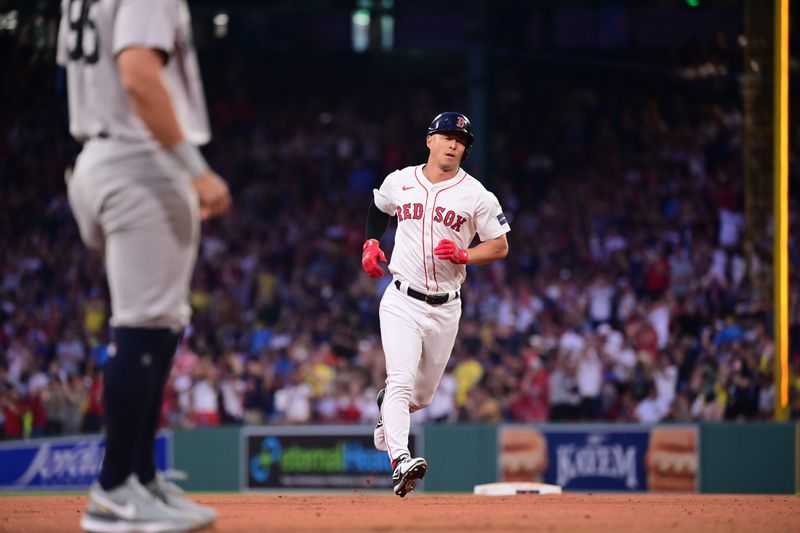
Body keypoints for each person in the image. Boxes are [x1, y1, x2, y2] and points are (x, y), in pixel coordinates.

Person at [56, 1, 231, 531]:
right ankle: (113, 489)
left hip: (99, 159)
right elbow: (137, 73)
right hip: (138, 162)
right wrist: (195, 170)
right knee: (142, 328)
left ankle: (140, 478)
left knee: (157, 326)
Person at [361, 112, 510, 497]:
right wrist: (371, 242)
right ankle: (401, 460)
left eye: (460, 140)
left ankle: (387, 417)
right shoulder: (401, 180)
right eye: (446, 136)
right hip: (401, 300)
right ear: (429, 140)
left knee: (422, 397)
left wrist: (466, 255)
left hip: (446, 306)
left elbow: (500, 245)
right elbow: (379, 207)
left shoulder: (477, 194)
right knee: (400, 379)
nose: (453, 143)